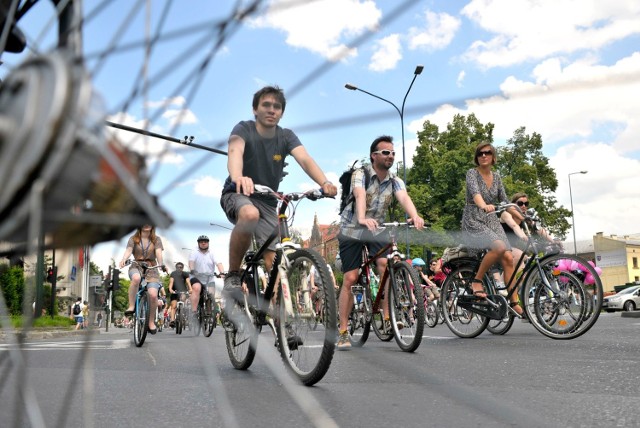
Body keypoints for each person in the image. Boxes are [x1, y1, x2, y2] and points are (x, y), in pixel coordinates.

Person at [219, 85, 337, 305]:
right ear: (255, 109)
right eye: (266, 105)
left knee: (275, 259)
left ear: (282, 112)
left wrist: (325, 182)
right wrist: (239, 177)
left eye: (277, 106)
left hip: (267, 198)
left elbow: (305, 159)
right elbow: (235, 152)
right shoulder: (244, 128)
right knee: (250, 215)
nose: (271, 110)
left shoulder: (286, 136)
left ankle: (281, 318)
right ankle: (233, 275)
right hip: (238, 191)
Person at [336, 135, 425, 349]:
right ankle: (342, 331)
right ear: (374, 156)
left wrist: (415, 215)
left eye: (393, 153)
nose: (391, 156)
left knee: (386, 265)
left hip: (377, 228)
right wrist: (361, 218)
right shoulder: (361, 174)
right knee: (351, 277)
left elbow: (404, 198)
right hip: (353, 228)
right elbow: (359, 195)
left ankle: (387, 318)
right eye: (386, 152)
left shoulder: (395, 180)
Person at [461, 142, 524, 316]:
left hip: (490, 219)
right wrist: (484, 206)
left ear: (493, 157)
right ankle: (477, 281)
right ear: (477, 157)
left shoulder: (496, 177)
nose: (483, 156)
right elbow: (476, 195)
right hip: (474, 217)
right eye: (480, 153)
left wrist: (521, 215)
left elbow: (504, 202)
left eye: (487, 153)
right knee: (499, 247)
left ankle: (513, 301)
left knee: (508, 257)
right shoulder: (472, 174)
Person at [118, 224, 168, 334]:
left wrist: (161, 264)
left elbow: (159, 253)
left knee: (153, 295)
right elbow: (129, 250)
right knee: (136, 278)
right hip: (136, 265)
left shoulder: (157, 239)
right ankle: (131, 307)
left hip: (151, 268)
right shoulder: (133, 239)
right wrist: (123, 259)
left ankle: (150, 322)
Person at [189, 235, 225, 320]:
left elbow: (218, 263)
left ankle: (209, 311)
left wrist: (222, 273)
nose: (203, 243)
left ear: (208, 243)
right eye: (201, 241)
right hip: (196, 277)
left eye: (205, 241)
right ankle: (194, 312)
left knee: (211, 294)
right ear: (198, 243)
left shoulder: (212, 252)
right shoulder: (194, 252)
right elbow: (191, 262)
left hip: (209, 277)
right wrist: (192, 270)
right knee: (197, 288)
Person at [168, 262, 191, 328]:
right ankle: (172, 321)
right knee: (174, 306)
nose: (179, 268)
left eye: (181, 267)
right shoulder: (173, 273)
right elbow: (171, 282)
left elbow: (188, 282)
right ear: (176, 268)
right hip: (175, 291)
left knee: (183, 299)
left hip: (183, 290)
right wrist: (170, 289)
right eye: (178, 267)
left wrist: (190, 289)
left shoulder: (185, 274)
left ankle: (182, 313)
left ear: (183, 268)